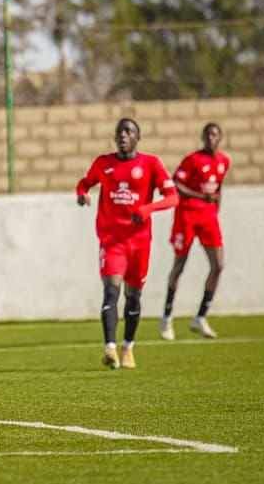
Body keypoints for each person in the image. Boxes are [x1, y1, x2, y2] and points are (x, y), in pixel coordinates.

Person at [76, 118, 178, 370]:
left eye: (128, 131)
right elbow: (85, 183)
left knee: (133, 297)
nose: (122, 135)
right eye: (119, 131)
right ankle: (110, 349)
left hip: (140, 243)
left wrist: (147, 209)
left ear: (137, 137)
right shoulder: (103, 163)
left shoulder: (151, 164)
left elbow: (172, 197)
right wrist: (82, 195)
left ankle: (128, 347)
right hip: (112, 240)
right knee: (111, 290)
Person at [160, 123, 231, 341]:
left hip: (208, 218)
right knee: (179, 265)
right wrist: (201, 197)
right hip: (187, 215)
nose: (211, 138)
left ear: (220, 138)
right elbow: (176, 183)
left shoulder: (223, 161)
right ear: (202, 137)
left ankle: (200, 317)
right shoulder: (192, 160)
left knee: (218, 265)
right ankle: (167, 316)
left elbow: (219, 189)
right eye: (208, 134)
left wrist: (216, 209)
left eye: (215, 134)